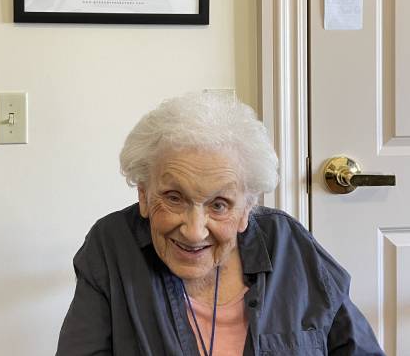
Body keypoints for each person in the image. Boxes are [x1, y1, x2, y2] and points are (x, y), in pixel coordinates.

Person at [56, 92, 385, 355]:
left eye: (219, 204)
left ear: (246, 209)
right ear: (143, 194)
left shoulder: (290, 245)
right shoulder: (112, 245)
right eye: (173, 198)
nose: (194, 230)